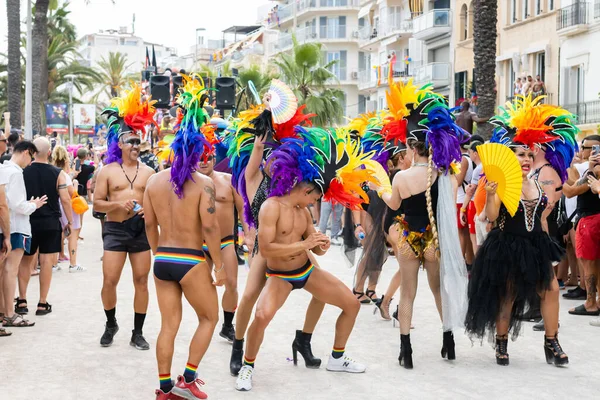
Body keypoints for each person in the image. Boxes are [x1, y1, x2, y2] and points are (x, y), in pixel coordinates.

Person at [235, 130, 369, 392]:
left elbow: (313, 246)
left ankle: (337, 358)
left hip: (305, 271)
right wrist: (305, 244)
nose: (315, 202)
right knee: (261, 316)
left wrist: (320, 246)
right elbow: (270, 250)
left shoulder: (303, 212)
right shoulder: (271, 207)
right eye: (315, 198)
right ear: (306, 189)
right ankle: (247, 366)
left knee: (352, 305)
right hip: (280, 277)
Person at [465, 99, 571, 367]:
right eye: (519, 153)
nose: (525, 159)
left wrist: (549, 247)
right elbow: (490, 216)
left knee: (551, 289)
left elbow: (542, 218)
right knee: (508, 294)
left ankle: (552, 341)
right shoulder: (500, 184)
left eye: (528, 154)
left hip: (535, 245)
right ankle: (501, 342)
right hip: (507, 245)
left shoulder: (537, 182)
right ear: (509, 156)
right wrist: (490, 195)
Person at [371, 80, 468, 369]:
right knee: (439, 292)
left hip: (408, 239)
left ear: (413, 148)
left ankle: (406, 351)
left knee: (408, 293)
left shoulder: (402, 177)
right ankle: (448, 342)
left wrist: (379, 187)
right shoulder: (447, 176)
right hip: (435, 240)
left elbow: (393, 205)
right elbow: (448, 207)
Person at [227, 97, 325, 376]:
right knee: (248, 298)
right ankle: (238, 344)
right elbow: (259, 147)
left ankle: (303, 340)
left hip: (295, 247)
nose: (274, 161)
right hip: (264, 247)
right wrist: (268, 115)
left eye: (279, 156)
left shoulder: (290, 189)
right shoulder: (254, 179)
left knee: (321, 292)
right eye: (271, 156)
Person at [145, 79, 226, 400]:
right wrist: (219, 266)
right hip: (191, 260)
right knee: (209, 318)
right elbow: (209, 229)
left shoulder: (153, 181)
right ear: (196, 151)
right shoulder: (203, 183)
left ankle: (165, 388)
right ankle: (188, 379)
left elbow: (149, 224)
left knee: (168, 326)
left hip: (163, 259)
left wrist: (157, 252)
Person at [94, 85, 157, 350]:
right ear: (119, 144)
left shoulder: (150, 171)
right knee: (110, 280)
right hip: (116, 229)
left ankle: (138, 332)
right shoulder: (107, 171)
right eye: (130, 141)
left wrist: (148, 210)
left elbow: (158, 203)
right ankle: (111, 324)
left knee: (141, 281)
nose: (135, 145)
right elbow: (96, 203)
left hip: (140, 230)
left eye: (138, 141)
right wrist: (118, 203)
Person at [16, 137, 73, 316]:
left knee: (25, 260)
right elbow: (65, 199)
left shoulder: (23, 171)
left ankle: (22, 300)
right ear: (49, 152)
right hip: (50, 223)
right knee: (47, 262)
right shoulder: (58, 173)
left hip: (28, 221)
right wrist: (69, 222)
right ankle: (42, 303)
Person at [198, 149, 247, 342]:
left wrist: (249, 234)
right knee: (202, 286)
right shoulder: (190, 183)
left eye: (207, 158)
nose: (203, 162)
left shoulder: (228, 180)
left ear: (213, 159)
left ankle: (227, 326)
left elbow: (242, 208)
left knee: (232, 283)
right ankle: (207, 321)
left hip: (225, 241)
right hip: (199, 242)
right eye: (199, 159)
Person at [0, 141, 46, 331]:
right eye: (31, 157)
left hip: (5, 226)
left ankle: (4, 311)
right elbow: (16, 204)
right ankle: (10, 314)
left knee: (4, 271)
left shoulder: (3, 169)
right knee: (11, 270)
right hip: (16, 227)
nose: (30, 163)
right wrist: (33, 205)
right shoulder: (16, 172)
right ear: (27, 152)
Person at [52, 146, 86, 272]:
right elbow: (71, 194)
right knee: (73, 235)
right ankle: (73, 264)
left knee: (59, 235)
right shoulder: (64, 175)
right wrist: (75, 184)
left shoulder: (53, 172)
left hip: (57, 207)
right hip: (68, 207)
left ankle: (54, 263)